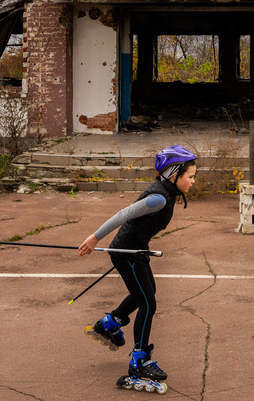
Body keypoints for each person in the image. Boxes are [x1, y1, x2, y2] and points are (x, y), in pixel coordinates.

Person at [78, 144, 197, 383]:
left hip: (137, 250)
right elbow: (124, 214)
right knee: (148, 303)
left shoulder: (168, 193)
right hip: (126, 253)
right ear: (175, 176)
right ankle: (139, 362)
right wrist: (94, 238)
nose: (193, 181)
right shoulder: (158, 199)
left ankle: (109, 324)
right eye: (191, 176)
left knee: (145, 293)